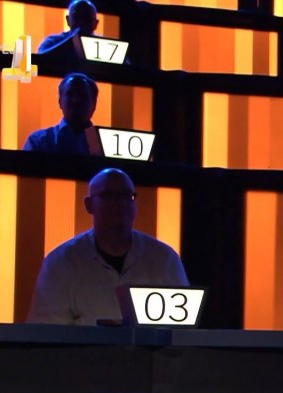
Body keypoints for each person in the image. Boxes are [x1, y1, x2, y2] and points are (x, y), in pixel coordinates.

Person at [26, 168, 189, 325]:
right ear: (89, 205)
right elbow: (45, 333)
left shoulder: (165, 260)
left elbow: (182, 331)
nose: (120, 204)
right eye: (109, 196)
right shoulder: (60, 263)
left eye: (127, 196)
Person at [21, 72, 98, 155]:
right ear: (60, 101)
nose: (76, 100)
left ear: (94, 103)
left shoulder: (106, 143)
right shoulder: (37, 141)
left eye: (83, 96)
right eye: (70, 94)